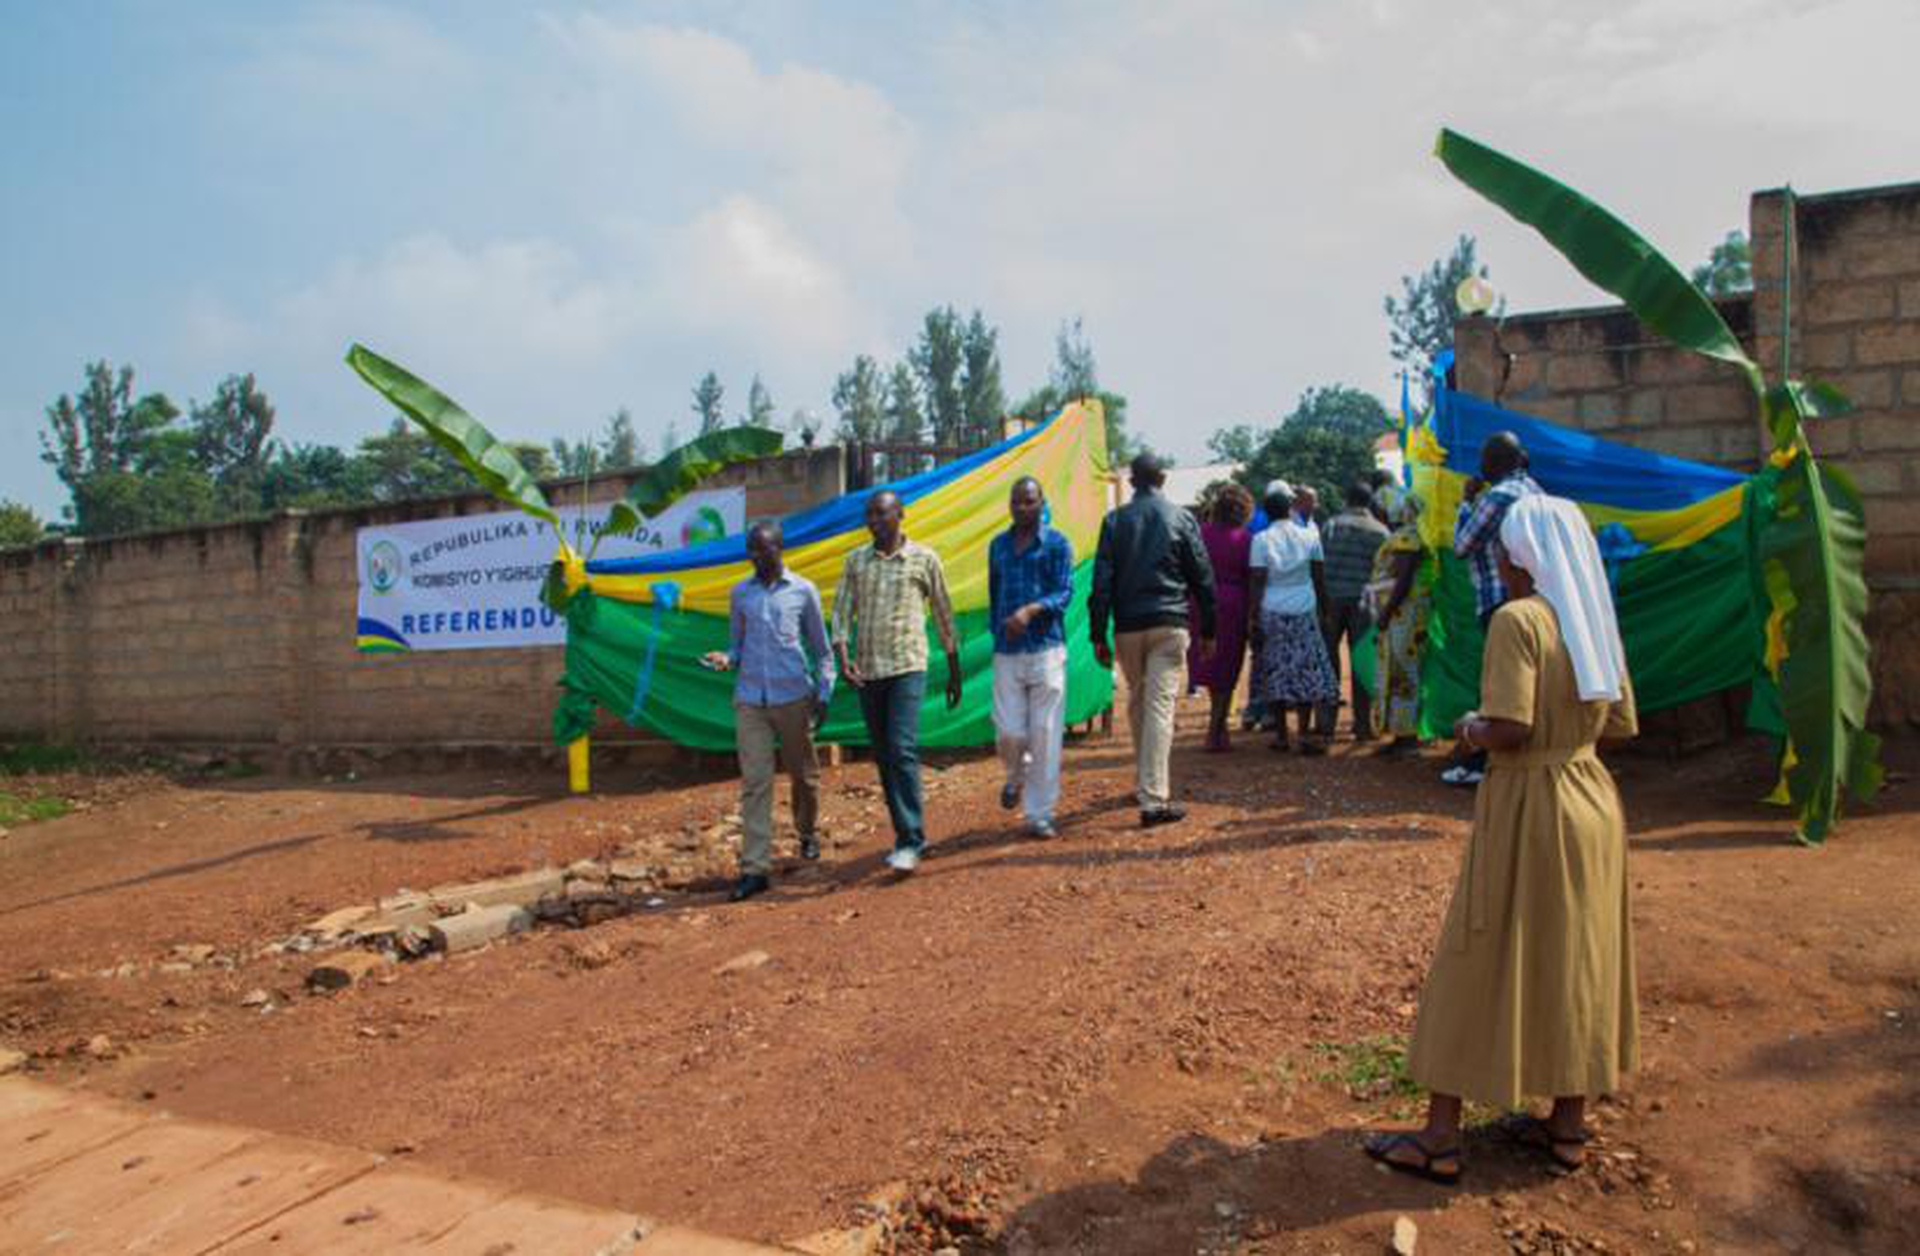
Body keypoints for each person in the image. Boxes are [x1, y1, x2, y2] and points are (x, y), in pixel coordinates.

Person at [1366, 494, 1637, 1185]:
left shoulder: (1520, 621)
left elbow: (1509, 727)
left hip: (1531, 802)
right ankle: (1567, 1123)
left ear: (1520, 556)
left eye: (1501, 549)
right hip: (1591, 799)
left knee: (1479, 950)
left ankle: (1439, 1137)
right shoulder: (1592, 618)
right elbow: (1621, 724)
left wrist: (1468, 727)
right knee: (1575, 956)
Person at [705, 521, 835, 903]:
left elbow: (823, 652)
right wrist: (725, 658)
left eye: (761, 550)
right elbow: (737, 646)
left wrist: (824, 695)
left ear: (779, 549)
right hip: (751, 700)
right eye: (750, 550)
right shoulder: (740, 594)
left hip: (794, 696)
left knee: (803, 776)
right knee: (756, 782)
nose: (754, 557)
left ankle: (807, 832)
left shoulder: (803, 591)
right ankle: (755, 869)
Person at [833, 489, 961, 874]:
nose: (874, 521)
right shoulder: (856, 562)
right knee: (885, 754)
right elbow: (841, 614)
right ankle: (904, 832)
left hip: (908, 667)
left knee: (901, 747)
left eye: (881, 514)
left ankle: (911, 839)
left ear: (900, 515)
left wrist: (954, 669)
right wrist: (843, 659)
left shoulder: (923, 559)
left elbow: (943, 613)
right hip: (870, 671)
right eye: (869, 515)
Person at [1089, 453, 1216, 828]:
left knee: (1140, 702)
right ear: (1162, 478)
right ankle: (1153, 800)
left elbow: (1101, 583)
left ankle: (1147, 783)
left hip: (1128, 627)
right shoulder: (1181, 518)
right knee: (1158, 708)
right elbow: (1202, 577)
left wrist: (1098, 633)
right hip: (1169, 623)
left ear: (1131, 482)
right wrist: (1209, 628)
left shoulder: (1114, 521)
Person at [1444, 432, 1541, 787]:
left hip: (1501, 599)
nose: (1479, 466)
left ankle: (1483, 762)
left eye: (1484, 458)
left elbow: (1461, 545)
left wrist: (1467, 501)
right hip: (1539, 601)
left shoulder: (1497, 495)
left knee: (1499, 687)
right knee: (1531, 682)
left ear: (1497, 462)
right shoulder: (1535, 491)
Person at [988, 476, 1074, 839]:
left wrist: (1032, 610)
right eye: (1016, 502)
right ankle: (1016, 772)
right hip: (1008, 651)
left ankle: (1040, 813)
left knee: (1045, 733)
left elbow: (1065, 592)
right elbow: (994, 590)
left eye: (1029, 501)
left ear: (1041, 503)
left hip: (1046, 649)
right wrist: (1000, 627)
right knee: (1009, 732)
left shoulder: (1057, 543)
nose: (1022, 508)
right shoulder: (998, 545)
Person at [1249, 480, 1338, 755]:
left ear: (1266, 511)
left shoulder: (1261, 540)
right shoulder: (1310, 536)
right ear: (1290, 509)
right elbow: (1319, 579)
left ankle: (1281, 735)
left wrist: (1252, 619)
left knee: (1275, 670)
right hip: (1304, 607)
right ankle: (1302, 730)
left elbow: (1257, 581)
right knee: (1305, 670)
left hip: (1272, 609)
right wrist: (1326, 612)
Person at [1316, 481, 1390, 742]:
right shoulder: (1380, 531)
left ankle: (1325, 723)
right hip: (1364, 603)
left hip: (1331, 601)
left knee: (1327, 661)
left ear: (1346, 499)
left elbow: (1318, 564)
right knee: (1362, 662)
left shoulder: (1331, 526)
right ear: (1370, 502)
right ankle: (1363, 724)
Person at [1187, 482, 1254, 752]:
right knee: (1228, 668)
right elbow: (1252, 579)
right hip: (1234, 604)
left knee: (1210, 664)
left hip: (1201, 603)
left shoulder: (1200, 534)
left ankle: (1217, 726)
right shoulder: (1246, 539)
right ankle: (1218, 726)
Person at [1367, 487, 1430, 756]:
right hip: (1404, 613)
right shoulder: (1409, 534)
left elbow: (1402, 580)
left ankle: (1407, 738)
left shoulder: (1408, 537)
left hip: (1404, 614)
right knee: (1398, 670)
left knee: (1404, 672)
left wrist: (1386, 612)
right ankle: (1401, 734)